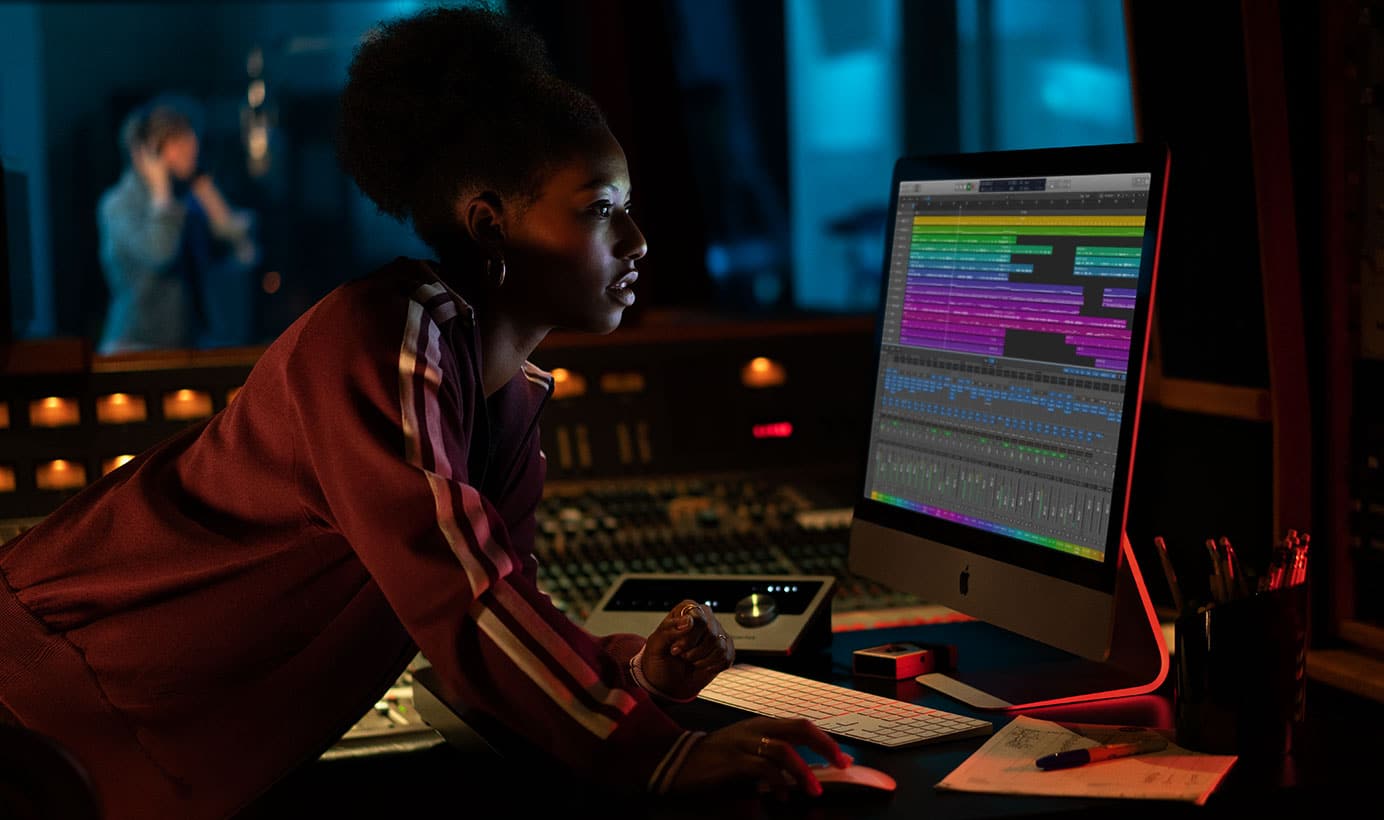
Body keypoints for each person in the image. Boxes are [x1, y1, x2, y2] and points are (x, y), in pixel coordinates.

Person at [0, 6, 849, 818]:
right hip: (34, 707)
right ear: (491, 226)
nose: (636, 239)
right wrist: (664, 754)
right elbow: (468, 603)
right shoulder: (383, 334)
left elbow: (508, 621)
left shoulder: (506, 406)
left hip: (134, 749)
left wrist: (640, 677)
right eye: (599, 210)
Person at [96, 94, 259, 354]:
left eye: (191, 135)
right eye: (178, 139)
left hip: (187, 347)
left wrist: (204, 189)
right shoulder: (119, 204)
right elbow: (160, 254)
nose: (192, 145)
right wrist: (160, 191)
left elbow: (243, 251)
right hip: (135, 350)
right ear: (146, 150)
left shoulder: (187, 199)